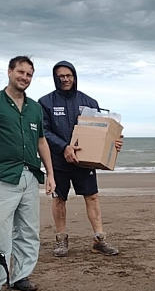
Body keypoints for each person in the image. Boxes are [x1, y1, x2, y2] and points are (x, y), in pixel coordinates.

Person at [0, 56, 54, 291]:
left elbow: (41, 142)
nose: (24, 78)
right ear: (9, 71)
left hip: (30, 176)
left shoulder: (35, 108)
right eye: (20, 72)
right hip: (2, 178)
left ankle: (21, 276)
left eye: (29, 74)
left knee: (29, 232)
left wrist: (51, 174)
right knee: (1, 234)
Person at [39, 60, 123, 257]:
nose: (65, 79)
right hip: (58, 161)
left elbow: (103, 132)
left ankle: (99, 239)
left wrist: (115, 142)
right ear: (55, 78)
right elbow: (43, 131)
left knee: (92, 197)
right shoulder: (45, 103)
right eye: (61, 76)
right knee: (59, 198)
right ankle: (61, 240)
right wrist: (64, 147)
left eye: (68, 75)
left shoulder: (89, 102)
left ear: (74, 77)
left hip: (85, 161)